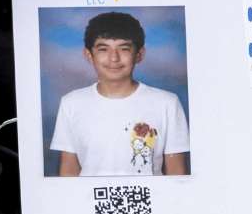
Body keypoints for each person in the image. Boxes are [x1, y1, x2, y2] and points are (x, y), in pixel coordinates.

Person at [50, 12, 190, 176]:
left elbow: (177, 172)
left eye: (124, 48)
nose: (114, 58)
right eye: (103, 49)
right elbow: (68, 171)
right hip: (91, 201)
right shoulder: (71, 103)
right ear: (89, 55)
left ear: (139, 54)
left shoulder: (167, 103)